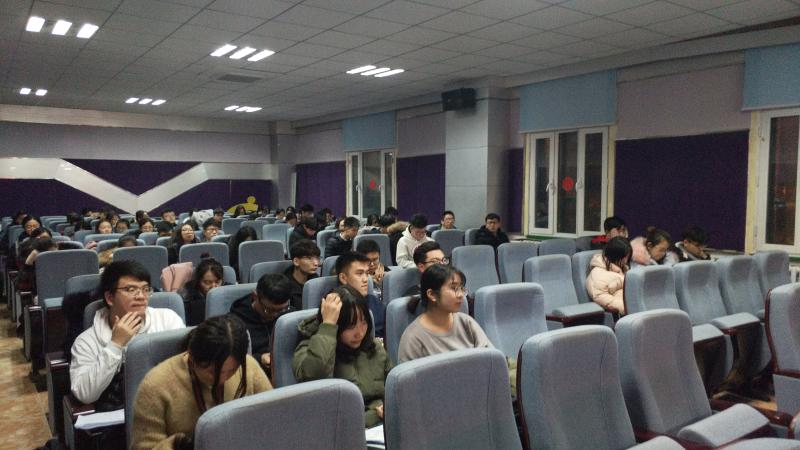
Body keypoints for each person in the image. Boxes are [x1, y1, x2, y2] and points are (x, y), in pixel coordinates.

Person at [131, 315, 271, 450]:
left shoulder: (249, 367)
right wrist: (183, 444)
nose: (222, 379)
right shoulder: (156, 385)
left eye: (231, 371)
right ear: (192, 357)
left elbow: (272, 419)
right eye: (212, 372)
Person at [70, 261, 185, 407]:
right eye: (131, 289)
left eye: (146, 289)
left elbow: (185, 371)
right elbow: (85, 394)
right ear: (110, 298)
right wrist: (115, 345)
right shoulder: (87, 341)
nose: (141, 296)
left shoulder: (168, 320)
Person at [293, 284, 391, 427]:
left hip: (378, 426)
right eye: (351, 327)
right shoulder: (309, 348)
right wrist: (328, 326)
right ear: (336, 325)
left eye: (363, 323)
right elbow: (314, 381)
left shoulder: (373, 347)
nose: (359, 333)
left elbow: (393, 390)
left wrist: (387, 408)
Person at [397, 264, 491, 363]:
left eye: (461, 289)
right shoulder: (413, 338)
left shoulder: (466, 322)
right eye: (454, 288)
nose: (460, 295)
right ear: (432, 294)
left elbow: (491, 360)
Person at [230, 273, 293, 374]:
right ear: (255, 296)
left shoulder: (289, 315)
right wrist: (259, 359)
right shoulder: (235, 322)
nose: (275, 315)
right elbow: (232, 360)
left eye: (281, 309)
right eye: (269, 310)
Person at [335, 251, 385, 338]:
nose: (366, 279)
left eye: (367, 273)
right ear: (343, 278)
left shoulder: (373, 301)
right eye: (359, 273)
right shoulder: (335, 306)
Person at [586, 237, 631, 315]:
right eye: (626, 257)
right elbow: (602, 298)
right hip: (624, 313)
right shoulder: (597, 276)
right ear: (617, 256)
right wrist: (631, 308)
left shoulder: (623, 268)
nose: (626, 261)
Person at [179, 258, 224, 326]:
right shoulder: (187, 299)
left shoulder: (230, 291)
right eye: (207, 282)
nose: (213, 287)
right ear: (198, 281)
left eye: (217, 282)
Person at [285, 240, 320, 310]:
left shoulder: (317, 281)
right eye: (309, 258)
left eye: (317, 258)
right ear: (296, 261)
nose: (316, 263)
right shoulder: (285, 286)